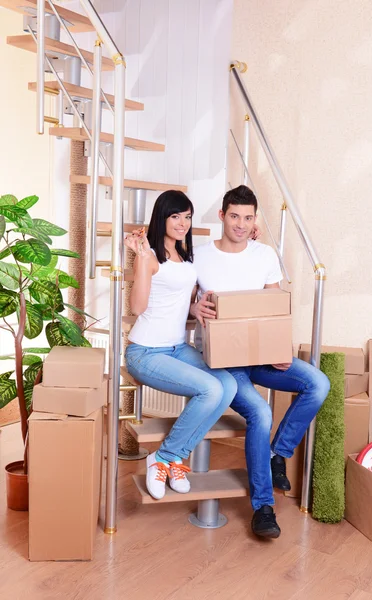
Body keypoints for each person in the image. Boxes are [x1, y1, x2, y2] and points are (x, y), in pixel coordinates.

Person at [190, 185, 330, 538]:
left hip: (262, 357)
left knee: (318, 384)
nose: (240, 224)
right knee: (261, 413)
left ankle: (277, 454)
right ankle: (263, 507)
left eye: (248, 217)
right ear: (222, 216)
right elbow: (182, 302)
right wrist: (194, 309)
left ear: (255, 218)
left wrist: (280, 349)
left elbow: (273, 310)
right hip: (223, 363)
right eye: (234, 216)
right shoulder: (199, 256)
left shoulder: (265, 254)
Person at [124, 190, 237, 501]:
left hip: (176, 347)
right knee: (210, 389)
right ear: (162, 217)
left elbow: (175, 301)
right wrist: (142, 259)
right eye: (176, 216)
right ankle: (162, 458)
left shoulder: (186, 256)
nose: (183, 223)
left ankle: (172, 457)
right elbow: (138, 308)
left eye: (187, 217)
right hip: (145, 352)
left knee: (227, 384)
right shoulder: (150, 256)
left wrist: (194, 309)